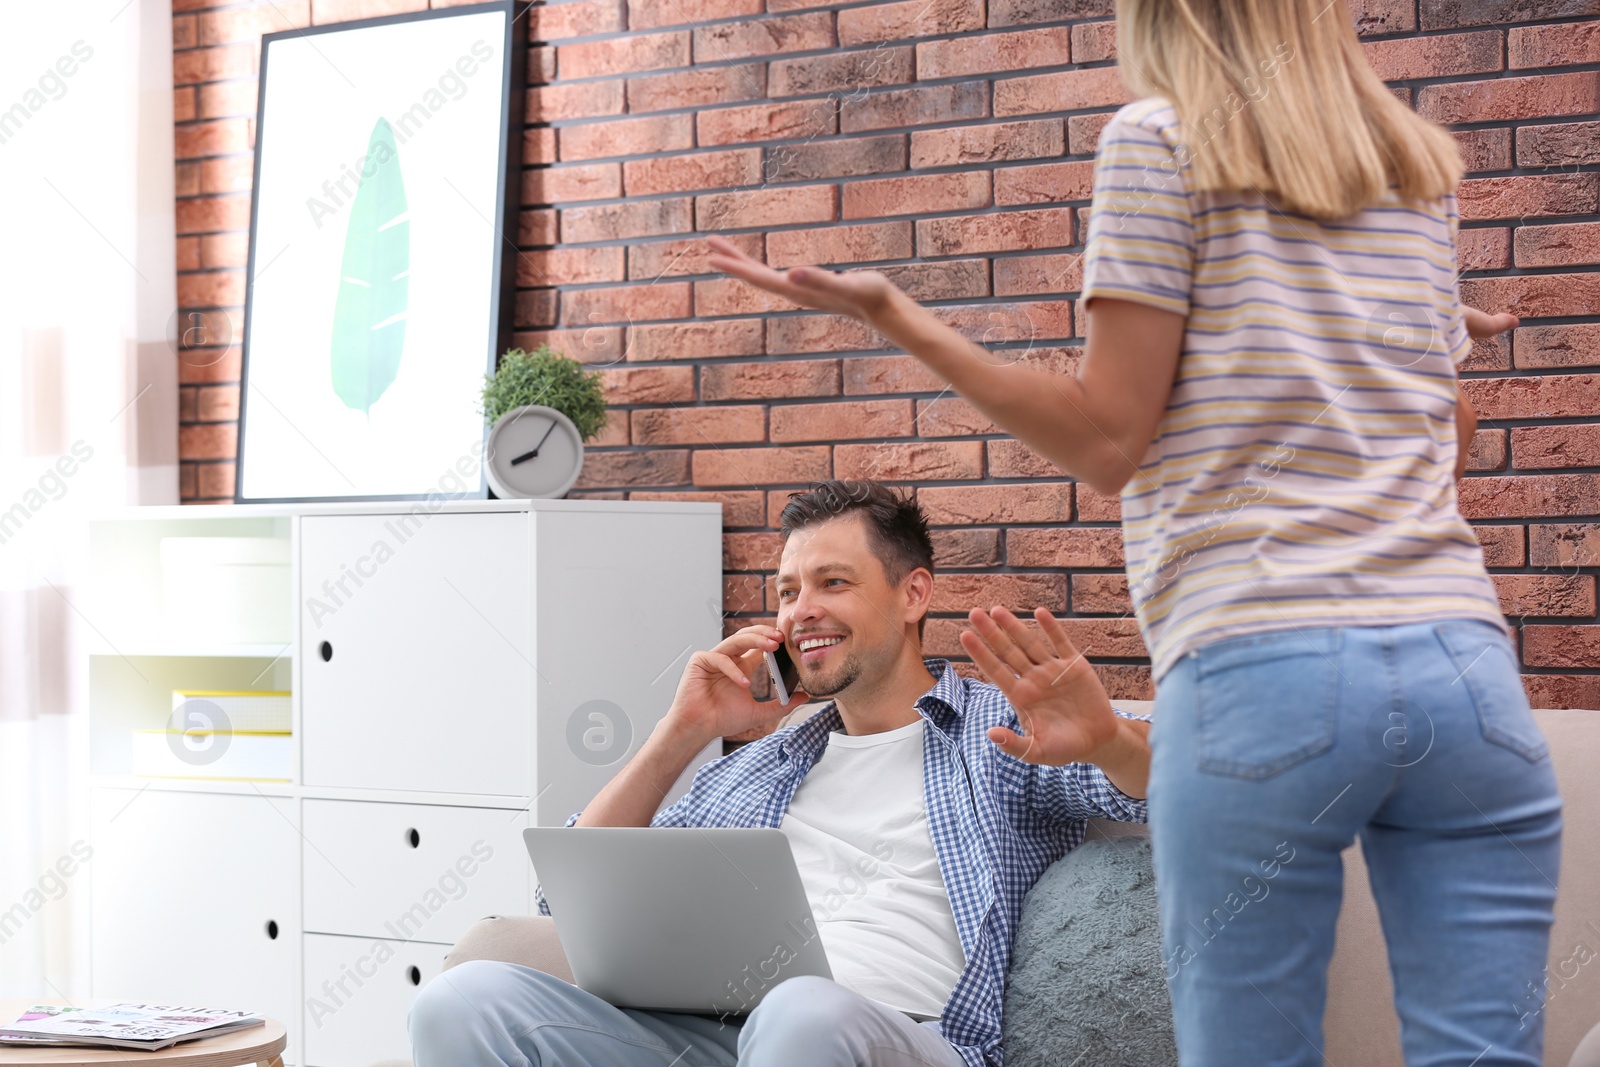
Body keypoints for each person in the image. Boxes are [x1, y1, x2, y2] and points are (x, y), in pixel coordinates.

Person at [702, 2, 1561, 1063]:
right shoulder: (1413, 173)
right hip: (1464, 674)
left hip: (1265, 668)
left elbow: (1108, 436)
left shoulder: (1159, 139)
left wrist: (899, 317)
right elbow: (1449, 429)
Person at [408, 480, 1153, 1067]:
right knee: (462, 1000)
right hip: (720, 1037)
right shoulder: (763, 763)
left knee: (800, 1010)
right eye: (789, 589)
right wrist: (683, 731)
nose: (802, 612)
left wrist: (1112, 738)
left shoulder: (998, 733)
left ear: (913, 594)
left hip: (894, 1037)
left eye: (833, 582)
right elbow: (565, 897)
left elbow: (1176, 791)